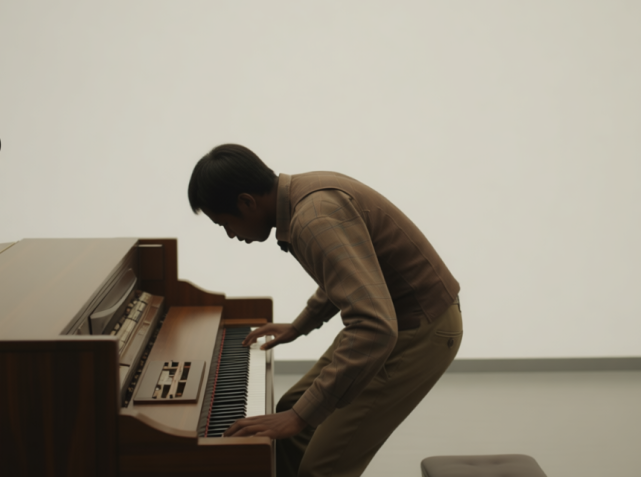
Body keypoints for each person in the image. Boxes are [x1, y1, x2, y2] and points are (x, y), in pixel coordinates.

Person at [187, 143, 462, 477]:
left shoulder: (314, 218)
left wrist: (299, 417)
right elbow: (352, 274)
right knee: (290, 409)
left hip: (420, 329)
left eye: (225, 224)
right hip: (393, 319)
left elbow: (375, 327)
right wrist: (300, 326)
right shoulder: (305, 193)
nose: (230, 235)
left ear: (247, 201)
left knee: (320, 468)